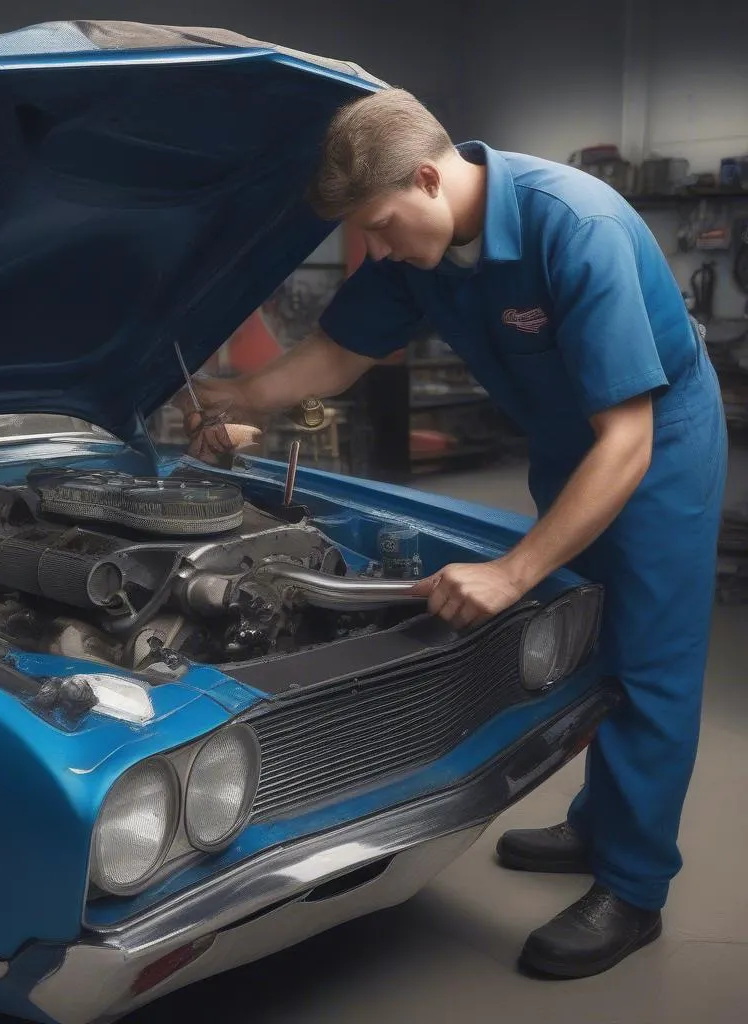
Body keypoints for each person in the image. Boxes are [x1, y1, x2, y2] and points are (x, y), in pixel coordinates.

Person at [177, 88, 728, 979]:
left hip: (654, 440)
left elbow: (627, 441)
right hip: (564, 437)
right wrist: (236, 398)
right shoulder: (416, 247)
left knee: (648, 660)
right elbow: (337, 355)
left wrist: (511, 571)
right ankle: (597, 822)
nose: (379, 251)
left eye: (383, 228)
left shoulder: (571, 226)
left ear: (431, 178)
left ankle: (633, 887)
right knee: (585, 630)